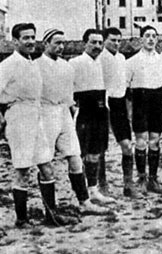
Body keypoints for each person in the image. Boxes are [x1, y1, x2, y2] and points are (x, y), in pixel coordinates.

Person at [0, 23, 74, 227]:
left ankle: (51, 215)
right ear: (15, 41)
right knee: (23, 169)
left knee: (47, 166)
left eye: (33, 37)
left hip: (36, 116)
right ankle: (22, 219)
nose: (31, 41)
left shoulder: (32, 62)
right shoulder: (8, 64)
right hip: (19, 117)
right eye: (25, 38)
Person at [37, 28, 110, 220]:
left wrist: (71, 114)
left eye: (63, 43)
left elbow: (70, 95)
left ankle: (84, 202)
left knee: (75, 158)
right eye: (56, 43)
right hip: (44, 114)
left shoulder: (66, 66)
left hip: (64, 114)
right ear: (46, 44)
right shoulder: (36, 66)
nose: (60, 47)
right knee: (45, 162)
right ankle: (50, 211)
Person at [69, 29, 115, 203]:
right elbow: (67, 89)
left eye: (99, 43)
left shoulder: (103, 62)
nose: (97, 46)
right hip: (83, 111)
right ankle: (79, 195)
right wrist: (74, 109)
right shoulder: (75, 63)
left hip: (100, 110)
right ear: (84, 43)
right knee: (79, 153)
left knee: (95, 153)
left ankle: (93, 190)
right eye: (93, 42)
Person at [126, 25, 162, 194]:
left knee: (155, 140)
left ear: (157, 39)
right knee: (141, 140)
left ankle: (153, 178)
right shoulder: (132, 61)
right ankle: (142, 178)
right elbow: (127, 87)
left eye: (153, 36)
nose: (150, 39)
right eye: (147, 35)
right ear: (141, 38)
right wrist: (131, 109)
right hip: (140, 99)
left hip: (157, 99)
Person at [98, 27, 138, 198]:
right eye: (112, 40)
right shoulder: (98, 58)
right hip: (102, 103)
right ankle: (101, 184)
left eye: (118, 40)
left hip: (119, 104)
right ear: (105, 40)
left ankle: (128, 184)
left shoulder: (122, 58)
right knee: (100, 148)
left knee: (128, 146)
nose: (116, 43)